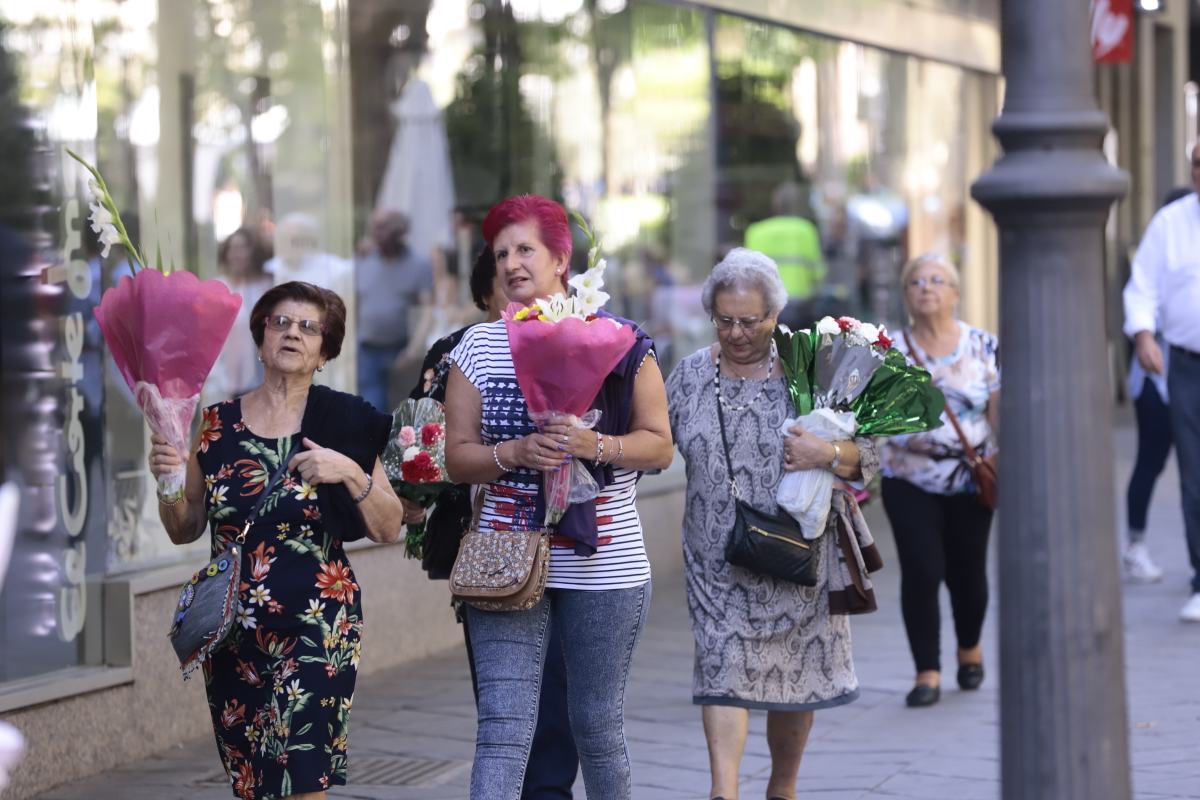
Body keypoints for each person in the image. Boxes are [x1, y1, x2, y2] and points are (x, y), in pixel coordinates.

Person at [444, 195, 673, 800]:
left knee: (595, 725)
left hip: (605, 560)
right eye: (501, 254)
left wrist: (591, 442)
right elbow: (456, 456)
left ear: (561, 260)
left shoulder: (619, 341)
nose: (512, 264)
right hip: (503, 556)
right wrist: (514, 454)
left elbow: (659, 447)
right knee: (503, 728)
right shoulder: (476, 348)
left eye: (526, 250)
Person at [149, 281, 404, 800]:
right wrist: (169, 482)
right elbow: (184, 528)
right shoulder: (216, 426)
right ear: (261, 337)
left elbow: (388, 524)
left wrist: (349, 472)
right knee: (252, 782)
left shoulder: (343, 421)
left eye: (309, 328)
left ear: (325, 351)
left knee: (303, 777)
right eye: (280, 323)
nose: (293, 333)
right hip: (232, 632)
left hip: (317, 626)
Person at [665, 248, 877, 800]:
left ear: (776, 317)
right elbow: (654, 446)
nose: (737, 333)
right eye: (725, 320)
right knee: (722, 662)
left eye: (751, 321)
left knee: (796, 680)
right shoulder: (688, 375)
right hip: (717, 558)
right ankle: (723, 792)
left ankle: (782, 788)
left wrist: (827, 450)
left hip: (799, 554)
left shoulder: (812, 373)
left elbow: (869, 459)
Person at [407, 247, 580, 799]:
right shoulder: (457, 355)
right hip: (492, 555)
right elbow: (421, 444)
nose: (521, 302)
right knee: (504, 705)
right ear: (485, 296)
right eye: (506, 289)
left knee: (561, 696)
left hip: (573, 552)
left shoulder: (579, 343)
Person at [879, 253, 999, 707]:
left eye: (937, 280)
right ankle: (926, 670)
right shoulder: (888, 350)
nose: (926, 287)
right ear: (906, 295)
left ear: (956, 293)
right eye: (915, 281)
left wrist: (1004, 458)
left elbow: (998, 412)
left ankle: (970, 647)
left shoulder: (984, 346)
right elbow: (873, 416)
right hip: (907, 476)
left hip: (970, 477)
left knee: (968, 572)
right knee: (922, 569)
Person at [1123, 142, 1200, 622]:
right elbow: (1142, 287)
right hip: (1186, 365)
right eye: (1197, 164)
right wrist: (1145, 336)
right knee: (1194, 476)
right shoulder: (1171, 224)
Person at [355, 209, 435, 413]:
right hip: (367, 351)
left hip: (400, 352)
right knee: (371, 408)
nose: (376, 233)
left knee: (403, 413)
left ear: (399, 231)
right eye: (375, 228)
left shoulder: (419, 264)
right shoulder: (363, 262)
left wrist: (413, 349)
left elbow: (427, 309)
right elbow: (353, 304)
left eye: (382, 228)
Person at [204, 227, 272, 406]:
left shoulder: (267, 286)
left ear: (253, 252)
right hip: (224, 380)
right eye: (233, 249)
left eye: (243, 248)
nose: (237, 254)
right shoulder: (218, 287)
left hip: (261, 378)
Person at [744, 182, 826, 329]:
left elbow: (747, 276)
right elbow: (818, 274)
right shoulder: (806, 230)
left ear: (774, 205)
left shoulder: (755, 232)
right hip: (801, 307)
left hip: (765, 307)